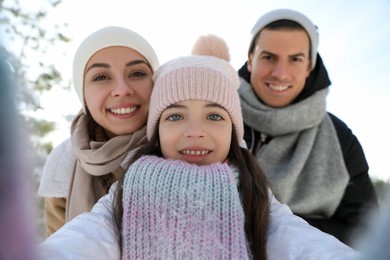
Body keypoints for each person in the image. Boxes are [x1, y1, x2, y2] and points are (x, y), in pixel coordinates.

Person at [38, 44, 359, 259]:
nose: (195, 131)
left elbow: (297, 241)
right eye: (175, 116)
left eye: (215, 116)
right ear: (157, 129)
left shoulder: (250, 189)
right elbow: (88, 237)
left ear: (234, 131)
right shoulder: (132, 187)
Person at [235, 8, 378, 245]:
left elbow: (364, 231)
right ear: (251, 61)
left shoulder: (340, 139)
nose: (280, 73)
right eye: (268, 57)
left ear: (309, 66)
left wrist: (272, 228)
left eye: (295, 59)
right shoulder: (216, 116)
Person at [37, 26, 160, 237]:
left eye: (137, 73)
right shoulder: (63, 166)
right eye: (101, 77)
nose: (122, 89)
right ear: (83, 94)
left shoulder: (191, 143)